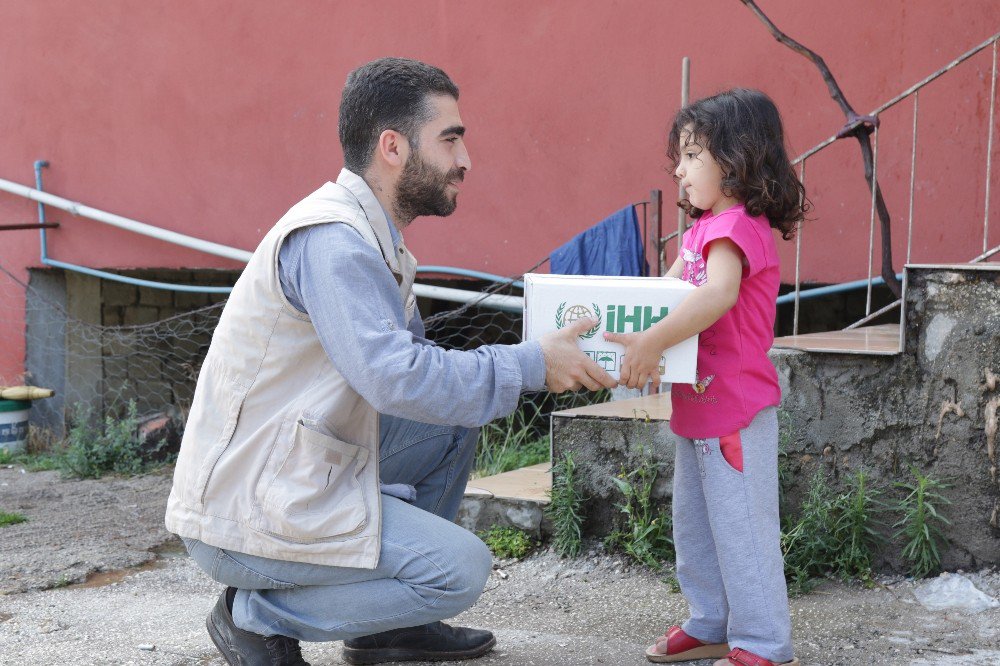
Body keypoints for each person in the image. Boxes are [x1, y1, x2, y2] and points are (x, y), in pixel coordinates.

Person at [165, 57, 616, 666]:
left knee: (451, 419)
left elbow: (418, 383)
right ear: (394, 147)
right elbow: (396, 377)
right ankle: (253, 616)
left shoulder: (372, 234)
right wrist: (531, 365)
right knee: (459, 570)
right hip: (242, 517)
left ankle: (389, 628)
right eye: (450, 139)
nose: (466, 159)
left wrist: (530, 361)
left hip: (289, 470)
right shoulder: (333, 243)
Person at [604, 88, 806, 666]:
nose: (679, 168)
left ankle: (764, 643)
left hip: (736, 416)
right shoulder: (701, 232)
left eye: (692, 155)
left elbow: (716, 296)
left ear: (737, 158)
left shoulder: (738, 229)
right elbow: (666, 302)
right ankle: (711, 621)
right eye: (680, 156)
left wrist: (652, 343)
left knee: (742, 532)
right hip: (697, 411)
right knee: (695, 529)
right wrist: (636, 344)